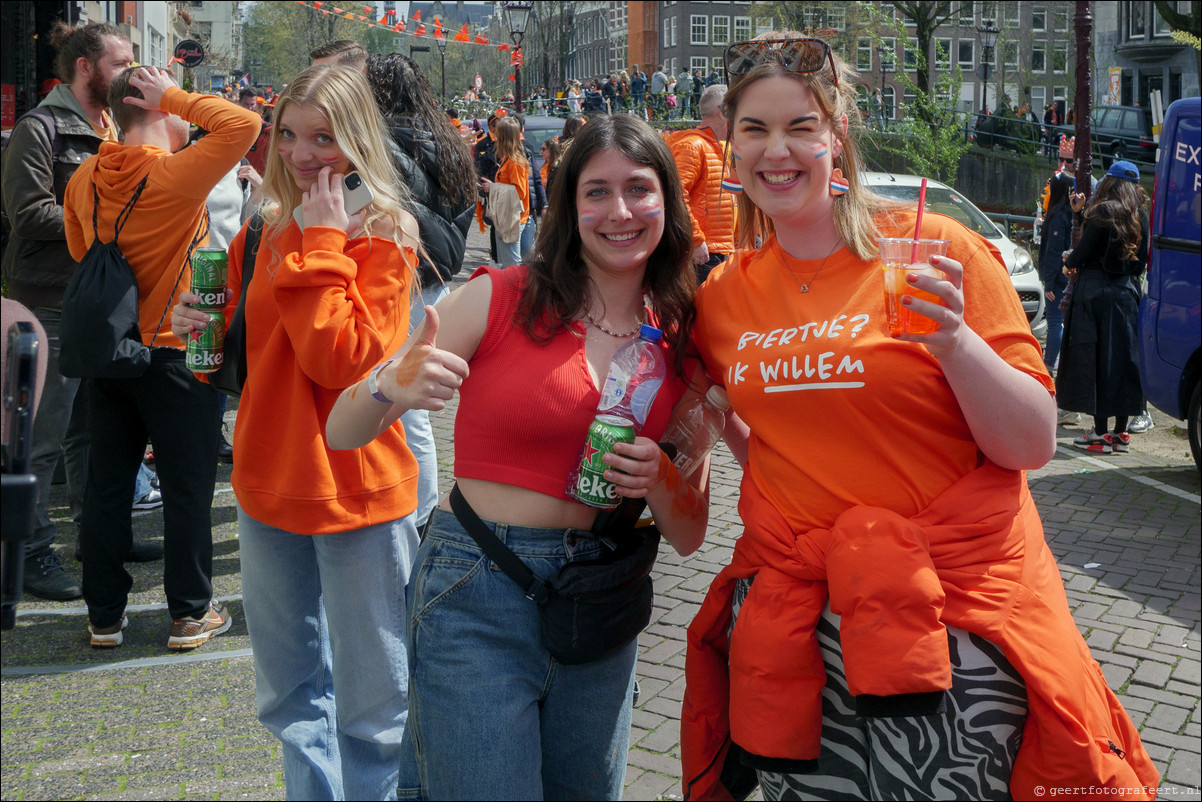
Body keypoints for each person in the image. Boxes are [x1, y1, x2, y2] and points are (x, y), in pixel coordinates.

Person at [679, 33, 1159, 801]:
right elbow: (754, 430)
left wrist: (958, 343)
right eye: (756, 129)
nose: (779, 151)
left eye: (801, 126)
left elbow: (1032, 441)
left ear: (837, 137)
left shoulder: (941, 249)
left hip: (953, 624)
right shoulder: (724, 297)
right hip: (807, 633)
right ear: (729, 144)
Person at [324, 112, 708, 801]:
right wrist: (389, 385)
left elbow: (688, 535)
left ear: (668, 203)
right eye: (596, 191)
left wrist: (662, 479)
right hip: (476, 587)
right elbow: (341, 431)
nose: (619, 211)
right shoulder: (503, 295)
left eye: (639, 189)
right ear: (568, 205)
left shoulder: (681, 338)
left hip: (597, 598)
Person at [170, 64, 423, 798]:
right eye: (290, 134)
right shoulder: (267, 227)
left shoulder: (382, 232)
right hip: (265, 480)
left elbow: (339, 361)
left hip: (356, 491)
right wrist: (199, 325)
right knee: (286, 695)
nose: (305, 153)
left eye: (326, 136)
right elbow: (257, 359)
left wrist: (322, 245)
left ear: (359, 141)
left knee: (374, 706)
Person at [63, 66, 260, 649]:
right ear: (161, 110)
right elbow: (244, 124)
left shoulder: (86, 176)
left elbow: (83, 251)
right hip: (179, 349)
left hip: (112, 353)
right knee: (187, 486)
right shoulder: (175, 177)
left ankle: (103, 616)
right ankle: (190, 612)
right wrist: (176, 94)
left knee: (107, 485)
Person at [0, 22, 170, 601]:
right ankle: (28, 553)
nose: (132, 72)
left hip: (98, 301)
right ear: (85, 68)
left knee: (92, 434)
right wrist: (109, 221)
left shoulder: (111, 126)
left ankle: (100, 534)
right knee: (41, 437)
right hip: (48, 301)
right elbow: (27, 215)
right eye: (122, 62)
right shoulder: (39, 127)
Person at [366, 52, 477, 527]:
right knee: (412, 404)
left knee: (403, 403)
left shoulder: (380, 142)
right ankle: (424, 505)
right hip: (436, 277)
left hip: (400, 276)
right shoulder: (451, 141)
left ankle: (419, 510)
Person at [1058, 161, 1150, 456]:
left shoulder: (1101, 212)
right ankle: (1121, 433)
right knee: (1123, 359)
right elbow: (1143, 259)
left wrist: (1069, 263)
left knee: (1094, 358)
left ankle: (1099, 434)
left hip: (1095, 294)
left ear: (1109, 182)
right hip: (1126, 294)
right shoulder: (1141, 216)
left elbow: (1083, 253)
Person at [667, 84, 738, 284]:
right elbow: (676, 195)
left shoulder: (717, 146)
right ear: (722, 112)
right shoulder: (693, 145)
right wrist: (696, 240)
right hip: (705, 252)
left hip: (717, 249)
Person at [1037, 173, 1076, 376]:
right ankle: (1057, 363)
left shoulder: (1058, 217)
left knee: (1054, 321)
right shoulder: (1071, 214)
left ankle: (1049, 364)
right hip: (1066, 275)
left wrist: (1049, 283)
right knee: (1061, 321)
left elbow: (1053, 253)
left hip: (1058, 278)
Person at [478, 115, 529, 266]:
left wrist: (492, 188)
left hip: (512, 219)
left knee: (511, 265)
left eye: (497, 134)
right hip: (506, 217)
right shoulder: (509, 159)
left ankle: (515, 290)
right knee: (505, 264)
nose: (494, 136)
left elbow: (520, 193)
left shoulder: (515, 162)